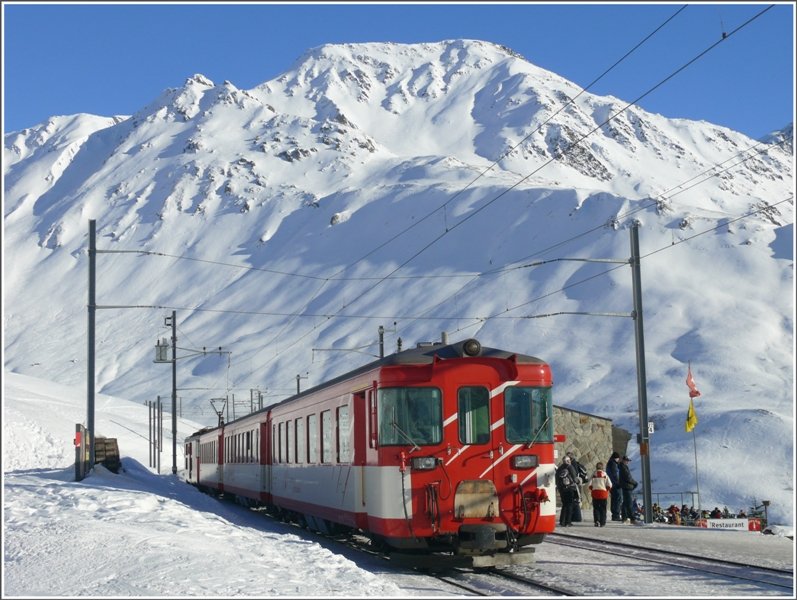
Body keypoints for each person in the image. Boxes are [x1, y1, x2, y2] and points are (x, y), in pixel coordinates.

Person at [556, 455, 579, 527]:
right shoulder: (570, 467)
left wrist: (559, 488)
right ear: (568, 461)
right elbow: (574, 478)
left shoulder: (559, 468)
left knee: (564, 505)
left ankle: (562, 521)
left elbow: (557, 479)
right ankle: (568, 522)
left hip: (562, 489)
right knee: (569, 505)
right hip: (569, 488)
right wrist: (578, 482)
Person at [566, 451, 588, 522]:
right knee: (575, 501)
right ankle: (576, 517)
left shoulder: (572, 465)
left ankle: (576, 517)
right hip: (576, 484)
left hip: (574, 485)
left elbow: (574, 475)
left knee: (575, 501)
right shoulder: (574, 463)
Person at [588, 461, 612, 527]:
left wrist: (592, 489)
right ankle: (602, 522)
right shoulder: (605, 475)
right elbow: (610, 485)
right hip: (603, 493)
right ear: (602, 467)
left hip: (595, 493)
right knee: (603, 509)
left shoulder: (593, 475)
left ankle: (597, 521)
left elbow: (589, 484)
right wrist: (606, 490)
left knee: (596, 508)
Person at [618, 455, 638, 524]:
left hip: (626, 486)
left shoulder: (622, 467)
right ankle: (632, 519)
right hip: (627, 487)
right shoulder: (623, 468)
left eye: (628, 461)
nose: (628, 462)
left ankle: (624, 518)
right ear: (624, 461)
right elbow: (628, 477)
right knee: (629, 503)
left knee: (625, 503)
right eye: (627, 461)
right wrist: (635, 483)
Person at [606, 451, 622, 521]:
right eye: (618, 458)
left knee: (614, 499)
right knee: (617, 500)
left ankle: (614, 515)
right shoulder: (613, 464)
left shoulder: (610, 463)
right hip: (616, 485)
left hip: (612, 484)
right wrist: (619, 483)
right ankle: (616, 515)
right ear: (616, 458)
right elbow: (615, 475)